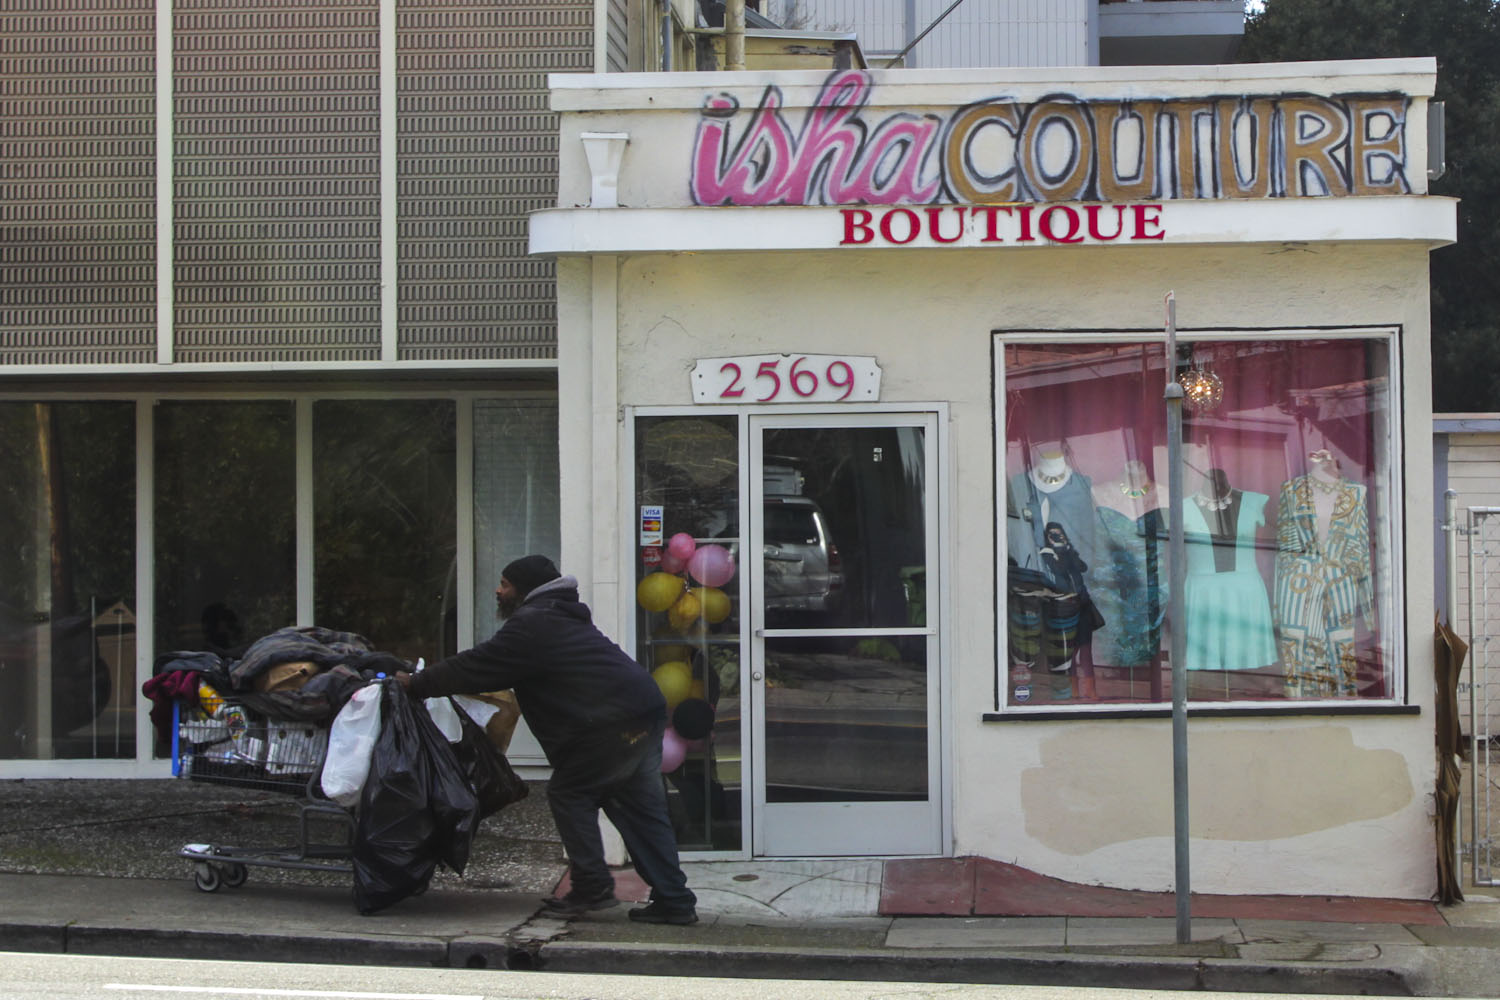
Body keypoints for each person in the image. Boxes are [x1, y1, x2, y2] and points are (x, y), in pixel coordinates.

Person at [396, 555, 698, 925]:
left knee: (570, 793)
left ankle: (592, 885)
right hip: (641, 713)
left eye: (505, 584)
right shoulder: (559, 616)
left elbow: (478, 665)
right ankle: (674, 900)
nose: (498, 590)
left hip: (611, 724)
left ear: (523, 589)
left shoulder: (534, 622)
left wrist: (417, 684)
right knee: (641, 810)